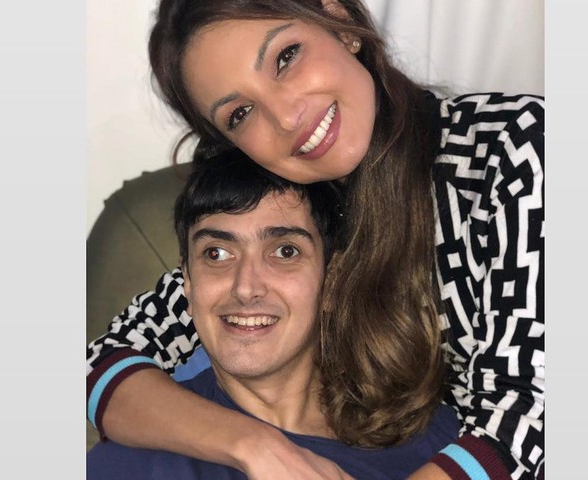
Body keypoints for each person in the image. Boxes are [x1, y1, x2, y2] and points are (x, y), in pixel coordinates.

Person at [86, 1, 545, 478]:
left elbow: (529, 418)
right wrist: (256, 447)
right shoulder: (300, 209)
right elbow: (104, 362)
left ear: (340, 21)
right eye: (241, 113)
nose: (286, 118)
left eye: (285, 58)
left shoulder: (516, 150)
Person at [87, 148, 460, 479]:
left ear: (333, 280)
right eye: (217, 253)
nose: (245, 286)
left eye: (285, 251)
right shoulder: (133, 464)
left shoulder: (436, 439)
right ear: (187, 281)